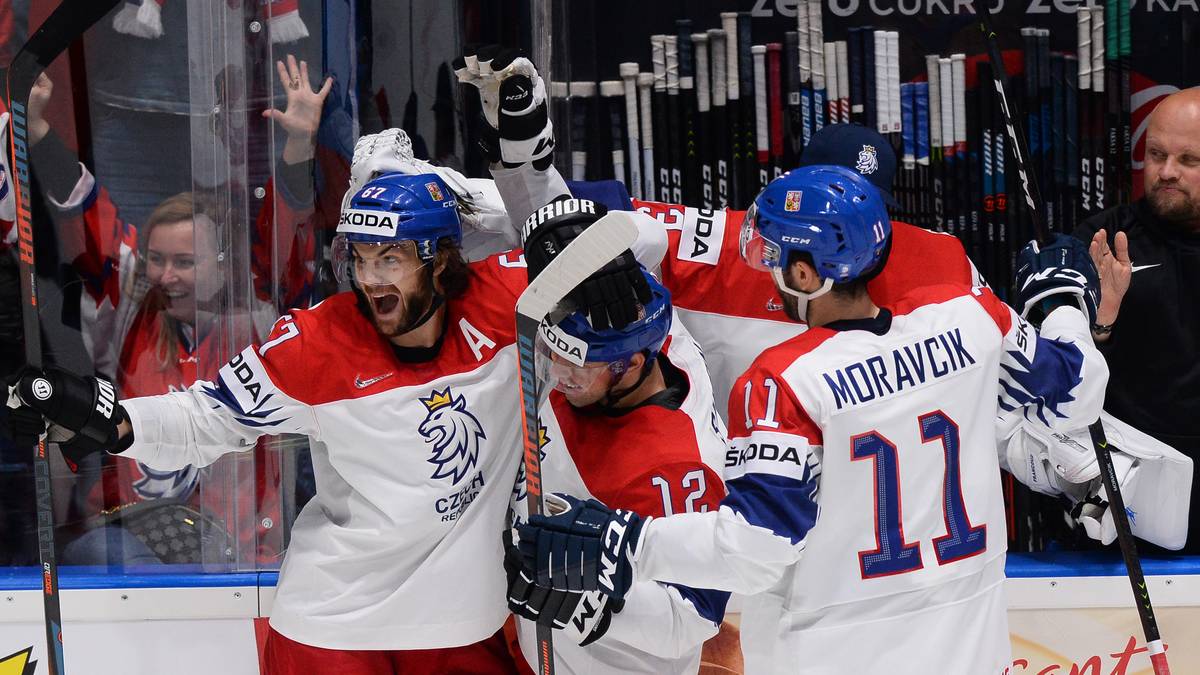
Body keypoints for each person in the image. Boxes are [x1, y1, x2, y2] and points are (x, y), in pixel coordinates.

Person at [515, 166, 1108, 674]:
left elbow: (758, 547)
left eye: (772, 255)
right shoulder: (969, 318)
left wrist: (629, 544)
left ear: (805, 274)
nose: (764, 268)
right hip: (968, 647)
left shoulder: (785, 381)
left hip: (831, 653)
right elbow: (1078, 386)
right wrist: (1058, 299)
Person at [633, 123, 981, 416]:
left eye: (864, 203)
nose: (848, 226)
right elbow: (609, 211)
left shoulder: (946, 259)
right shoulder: (736, 240)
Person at [507, 261, 729, 674]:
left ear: (630, 365)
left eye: (575, 364)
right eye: (552, 352)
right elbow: (635, 243)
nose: (556, 372)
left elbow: (695, 616)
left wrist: (588, 605)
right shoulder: (652, 335)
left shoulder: (676, 470)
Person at [1073, 86, 1200, 552]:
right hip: (1129, 486)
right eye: (1157, 154)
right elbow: (1059, 371)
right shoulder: (1102, 243)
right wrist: (1101, 319)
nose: (1167, 172)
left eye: (1189, 160)